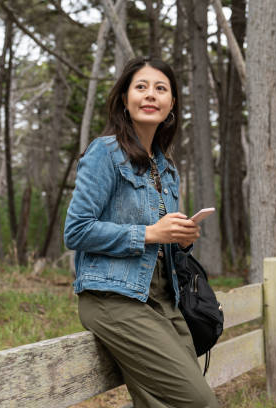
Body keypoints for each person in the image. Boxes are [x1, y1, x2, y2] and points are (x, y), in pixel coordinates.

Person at [64, 56, 220, 408]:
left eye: (160, 89)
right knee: (198, 401)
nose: (151, 95)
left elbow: (163, 243)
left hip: (165, 299)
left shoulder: (166, 168)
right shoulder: (104, 154)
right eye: (141, 87)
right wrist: (150, 233)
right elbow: (76, 231)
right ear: (124, 98)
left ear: (171, 104)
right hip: (113, 299)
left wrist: (181, 240)